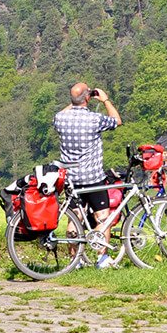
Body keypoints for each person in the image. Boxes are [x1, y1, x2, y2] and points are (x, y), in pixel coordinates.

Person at [54, 82, 122, 268]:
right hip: (93, 178)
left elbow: (62, 113)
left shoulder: (60, 119)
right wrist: (105, 100)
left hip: (71, 179)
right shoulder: (94, 119)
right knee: (103, 217)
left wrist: (76, 101)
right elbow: (117, 120)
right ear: (87, 98)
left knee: (74, 218)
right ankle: (102, 258)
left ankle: (74, 260)